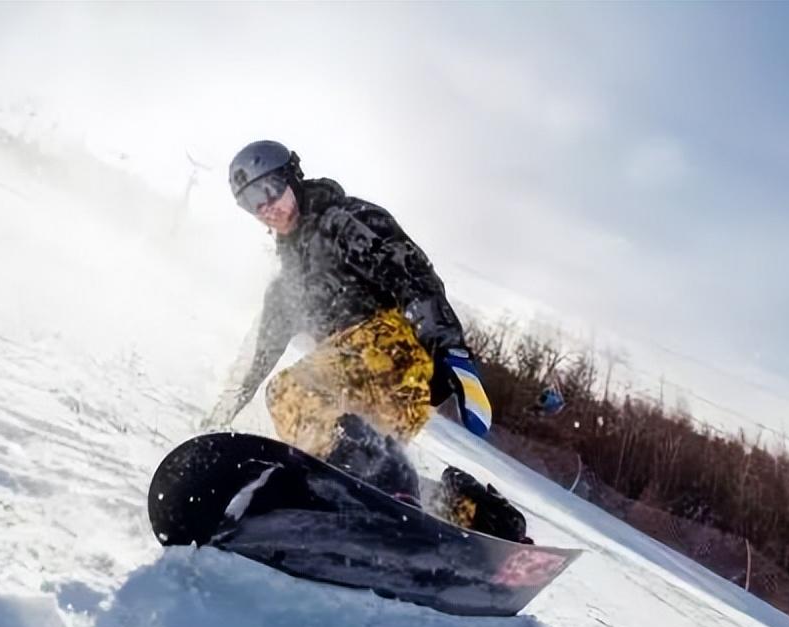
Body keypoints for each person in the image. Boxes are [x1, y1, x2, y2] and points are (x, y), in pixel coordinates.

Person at [202, 140, 540, 543]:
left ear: (292, 176)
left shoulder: (343, 222)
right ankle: (479, 515)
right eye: (251, 203)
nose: (265, 207)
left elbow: (412, 276)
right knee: (334, 457)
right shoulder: (286, 283)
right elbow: (259, 351)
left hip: (399, 351)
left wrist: (450, 349)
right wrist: (220, 413)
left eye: (269, 190)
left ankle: (378, 484)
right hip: (367, 385)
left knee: (289, 394)